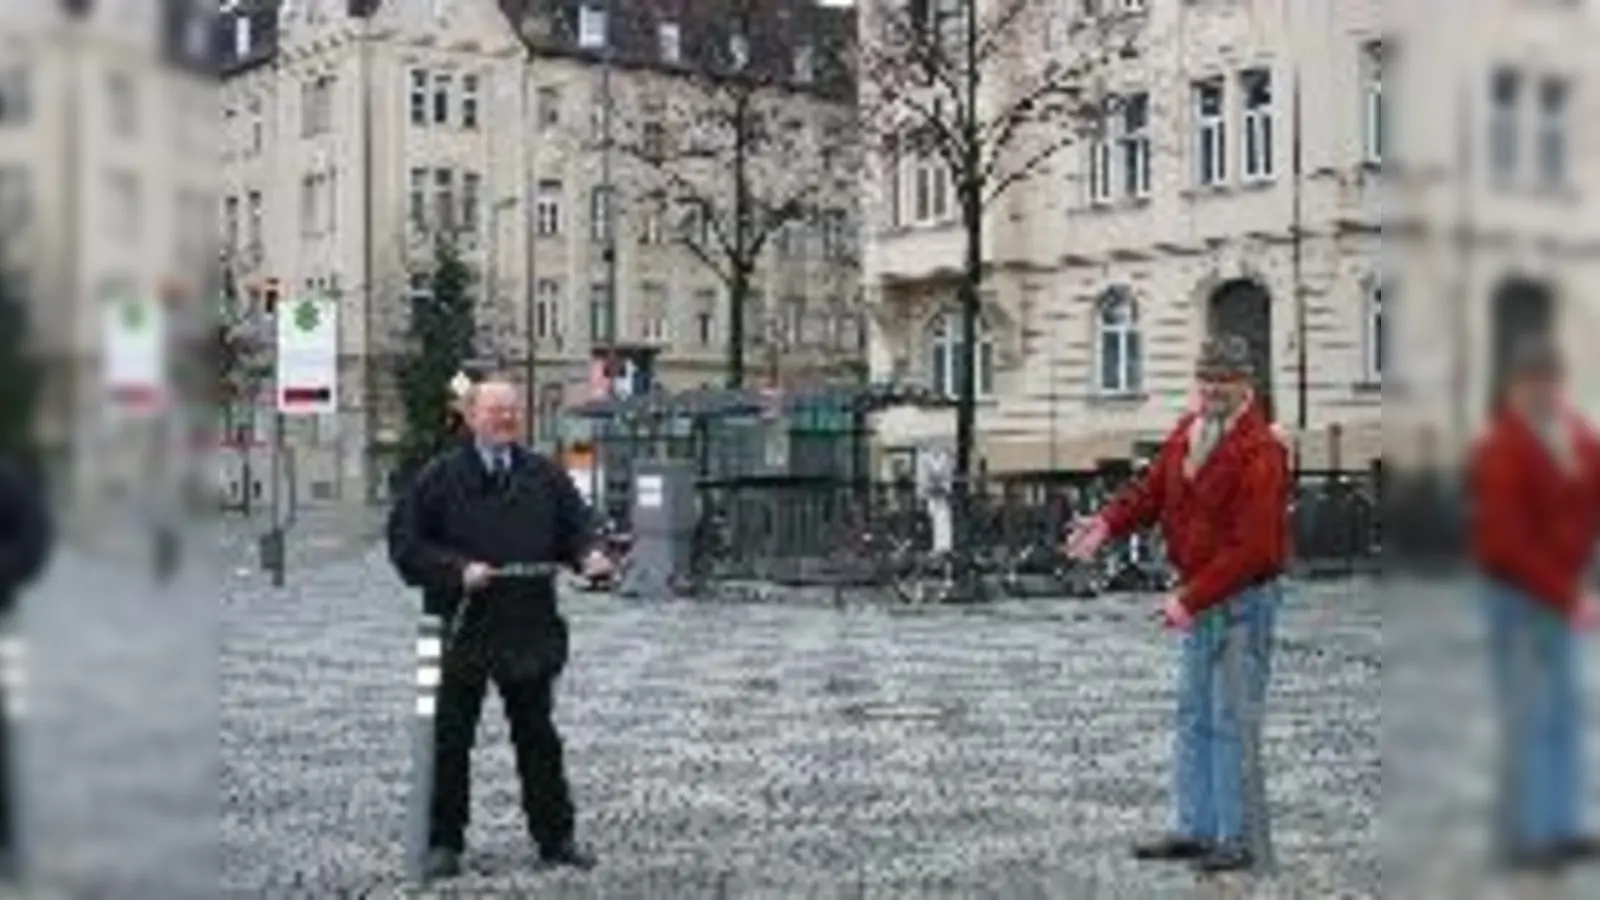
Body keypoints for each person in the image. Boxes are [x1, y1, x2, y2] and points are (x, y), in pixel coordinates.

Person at [1064, 334, 1289, 875]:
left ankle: (1238, 838)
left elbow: (1255, 547)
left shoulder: (1262, 450)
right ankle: (1195, 830)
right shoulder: (1190, 432)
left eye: (1223, 381)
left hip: (1242, 601)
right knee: (1193, 716)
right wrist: (1108, 523)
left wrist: (1191, 598)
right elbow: (1152, 491)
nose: (1211, 388)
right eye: (1205, 379)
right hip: (1201, 596)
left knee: (1231, 718)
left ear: (1245, 387)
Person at [387, 377, 612, 880]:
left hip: (528, 626)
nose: (506, 419)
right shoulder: (439, 477)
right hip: (462, 630)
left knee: (538, 737)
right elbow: (406, 545)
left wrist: (589, 556)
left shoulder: (544, 475)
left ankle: (555, 838)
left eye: (512, 411)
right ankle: (444, 841)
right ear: (471, 417)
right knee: (451, 739)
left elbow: (576, 526)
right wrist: (456, 570)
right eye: (495, 411)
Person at [1469, 336, 1600, 876]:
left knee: (1564, 713)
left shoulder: (1576, 438)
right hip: (1515, 596)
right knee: (1526, 715)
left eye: (1551, 380)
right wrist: (1569, 593)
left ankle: (1561, 825)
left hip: (1562, 593)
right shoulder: (1500, 447)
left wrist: (1580, 580)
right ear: (1516, 388)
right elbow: (1506, 541)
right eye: (1533, 381)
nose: (1544, 390)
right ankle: (1526, 832)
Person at [0, 453, 51, 884]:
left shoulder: (7, 478)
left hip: (3, 627)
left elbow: (35, 541)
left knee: (4, 738)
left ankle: (7, 850)